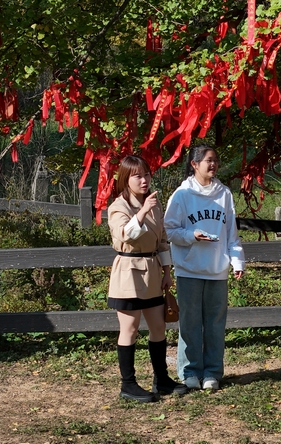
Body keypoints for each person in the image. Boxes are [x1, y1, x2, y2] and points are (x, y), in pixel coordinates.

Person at [164, 144, 245, 391]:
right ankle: (189, 371)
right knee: (190, 323)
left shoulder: (225, 194)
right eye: (208, 160)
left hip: (217, 270)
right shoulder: (182, 195)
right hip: (189, 269)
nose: (213, 164)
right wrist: (192, 236)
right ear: (194, 164)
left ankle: (212, 372)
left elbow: (231, 233)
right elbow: (169, 230)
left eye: (216, 160)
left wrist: (237, 261)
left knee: (215, 324)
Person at [107, 155, 187, 403]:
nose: (144, 180)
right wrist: (142, 211)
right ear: (125, 179)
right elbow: (125, 235)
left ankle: (161, 379)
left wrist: (167, 272)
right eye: (137, 176)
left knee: (158, 326)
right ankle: (128, 384)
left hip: (152, 271)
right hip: (128, 271)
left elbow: (162, 240)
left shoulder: (154, 204)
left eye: (147, 174)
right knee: (129, 329)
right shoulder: (118, 207)